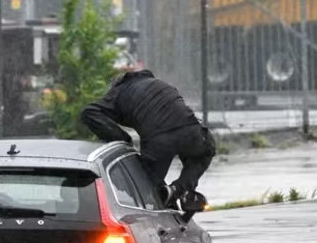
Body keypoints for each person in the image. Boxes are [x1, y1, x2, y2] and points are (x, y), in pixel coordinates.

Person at [79, 69, 216, 208]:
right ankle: (177, 190)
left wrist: (122, 140)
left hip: (159, 141)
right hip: (190, 130)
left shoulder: (120, 91)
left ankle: (160, 201)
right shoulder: (160, 84)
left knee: (145, 186)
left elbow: (89, 112)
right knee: (205, 151)